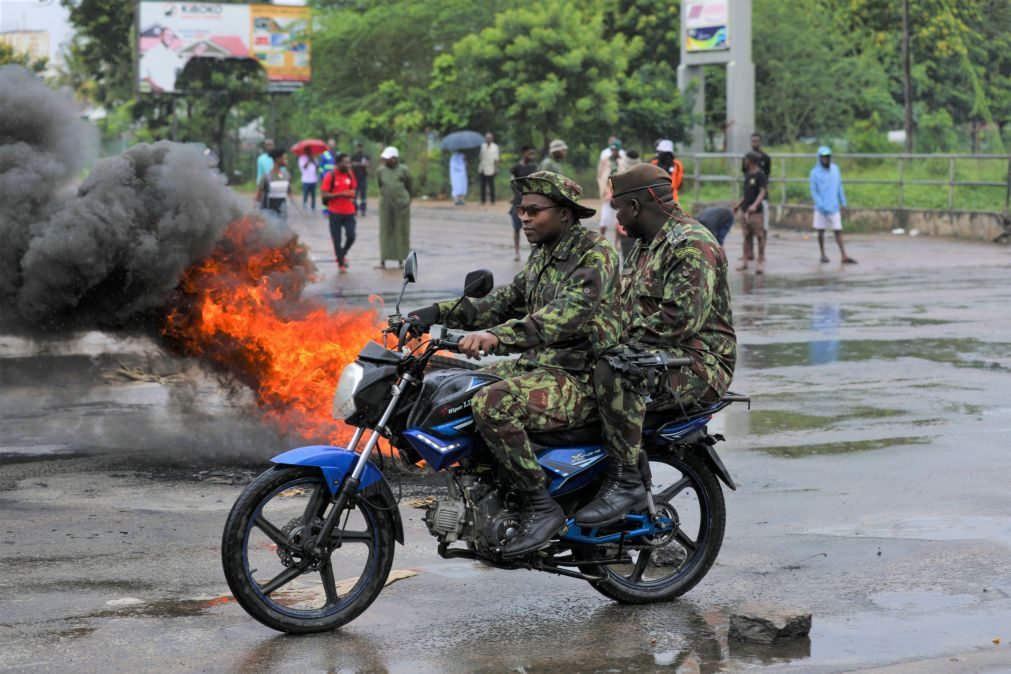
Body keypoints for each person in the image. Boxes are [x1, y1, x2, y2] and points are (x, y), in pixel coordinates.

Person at [410, 171, 620, 557]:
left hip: (583, 375)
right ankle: (492, 487)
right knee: (453, 380)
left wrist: (498, 337)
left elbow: (568, 312)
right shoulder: (544, 254)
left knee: (494, 403)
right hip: (541, 365)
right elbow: (503, 301)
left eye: (532, 210)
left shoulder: (596, 254)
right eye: (520, 209)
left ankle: (541, 506)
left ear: (565, 214)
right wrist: (433, 313)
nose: (523, 216)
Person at [573, 163, 736, 527]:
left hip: (697, 364)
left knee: (614, 371)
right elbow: (623, 307)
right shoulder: (645, 245)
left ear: (639, 204)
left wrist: (615, 346)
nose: (617, 216)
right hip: (660, 354)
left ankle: (627, 480)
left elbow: (680, 318)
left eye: (619, 207)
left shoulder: (692, 244)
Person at [810, 146, 857, 264]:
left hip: (834, 206)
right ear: (819, 158)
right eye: (823, 157)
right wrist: (820, 204)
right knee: (821, 231)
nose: (826, 159)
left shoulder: (835, 170)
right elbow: (814, 191)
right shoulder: (814, 173)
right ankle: (822, 254)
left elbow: (839, 187)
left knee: (838, 230)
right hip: (821, 208)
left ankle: (844, 255)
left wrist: (843, 203)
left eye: (828, 157)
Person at [376, 146, 413, 269]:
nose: (386, 161)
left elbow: (410, 185)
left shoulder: (404, 170)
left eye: (388, 158)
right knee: (385, 231)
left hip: (401, 205)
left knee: (401, 231)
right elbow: (380, 184)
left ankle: (401, 260)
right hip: (386, 205)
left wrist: (406, 200)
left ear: (395, 158)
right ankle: (383, 260)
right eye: (385, 159)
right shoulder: (381, 171)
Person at [321, 153, 358, 273]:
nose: (348, 165)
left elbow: (353, 189)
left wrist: (352, 194)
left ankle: (342, 254)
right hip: (335, 212)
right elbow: (324, 195)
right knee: (336, 239)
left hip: (349, 211)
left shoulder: (349, 174)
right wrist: (340, 194)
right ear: (338, 163)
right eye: (345, 162)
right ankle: (341, 263)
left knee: (351, 236)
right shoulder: (330, 176)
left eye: (349, 162)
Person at [734, 152, 768, 274]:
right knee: (746, 236)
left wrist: (755, 205)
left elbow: (762, 192)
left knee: (759, 236)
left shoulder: (760, 175)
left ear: (751, 161)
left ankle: (760, 262)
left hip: (756, 212)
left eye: (746, 160)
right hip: (745, 210)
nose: (745, 162)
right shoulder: (747, 175)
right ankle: (744, 261)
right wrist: (739, 204)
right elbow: (747, 193)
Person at [509, 145, 539, 261]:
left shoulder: (534, 167)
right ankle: (517, 252)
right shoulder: (515, 168)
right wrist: (517, 195)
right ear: (524, 153)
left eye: (534, 154)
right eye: (531, 153)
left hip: (531, 202)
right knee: (516, 228)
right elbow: (512, 183)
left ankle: (534, 252)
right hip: (518, 202)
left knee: (532, 227)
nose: (533, 156)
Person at [741, 133, 772, 234]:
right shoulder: (746, 157)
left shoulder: (766, 158)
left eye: (757, 141)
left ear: (760, 142)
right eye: (753, 141)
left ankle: (762, 247)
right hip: (750, 195)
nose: (755, 143)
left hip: (761, 194)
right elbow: (745, 174)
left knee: (763, 227)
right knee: (747, 230)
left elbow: (767, 175)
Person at [596, 141, 628, 238]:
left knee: (619, 218)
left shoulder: (623, 161)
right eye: (612, 150)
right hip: (607, 193)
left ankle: (617, 242)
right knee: (605, 218)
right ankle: (601, 238)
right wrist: (605, 191)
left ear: (619, 150)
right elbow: (600, 177)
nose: (613, 151)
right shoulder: (605, 161)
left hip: (619, 192)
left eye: (615, 150)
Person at [614, 150, 642, 260]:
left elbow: (614, 203)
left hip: (626, 224)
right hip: (642, 223)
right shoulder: (644, 177)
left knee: (628, 258)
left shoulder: (620, 178)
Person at [255, 149, 291, 223]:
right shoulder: (266, 177)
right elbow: (258, 198)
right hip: (268, 215)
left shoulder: (287, 176)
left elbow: (289, 193)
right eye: (284, 158)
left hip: (282, 215)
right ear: (277, 159)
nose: (286, 160)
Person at [478, 132, 500, 204]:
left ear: (492, 138)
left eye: (489, 138)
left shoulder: (495, 147)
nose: (488, 139)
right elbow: (480, 157)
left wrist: (496, 169)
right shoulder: (482, 146)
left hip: (491, 168)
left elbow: (496, 159)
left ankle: (492, 200)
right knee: (482, 185)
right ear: (485, 138)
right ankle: (482, 200)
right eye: (487, 138)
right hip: (483, 168)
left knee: (491, 185)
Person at [351, 142, 370, 215]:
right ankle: (354, 209)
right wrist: (360, 164)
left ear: (363, 148)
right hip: (355, 178)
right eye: (358, 147)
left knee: (363, 195)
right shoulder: (354, 156)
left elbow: (367, 164)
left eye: (361, 147)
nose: (360, 148)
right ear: (357, 148)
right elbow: (351, 164)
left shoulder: (365, 156)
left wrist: (357, 164)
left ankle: (363, 210)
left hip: (363, 178)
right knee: (354, 195)